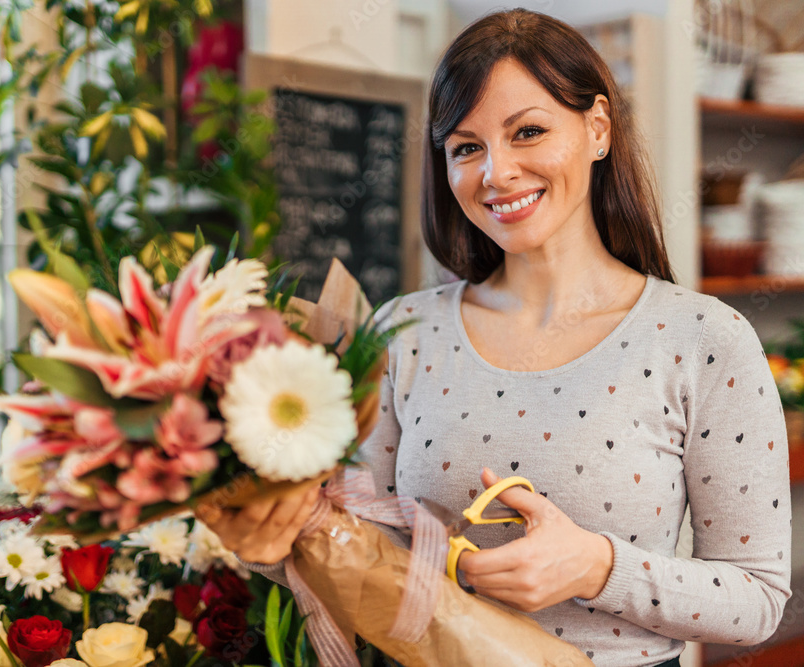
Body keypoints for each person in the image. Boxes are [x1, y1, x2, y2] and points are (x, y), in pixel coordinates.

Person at [194, 9, 791, 666]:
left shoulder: (702, 339)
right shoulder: (401, 333)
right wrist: (273, 541)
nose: (495, 173)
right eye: (466, 147)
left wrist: (595, 566)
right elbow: (361, 555)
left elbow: (757, 597)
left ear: (597, 128)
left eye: (527, 132)